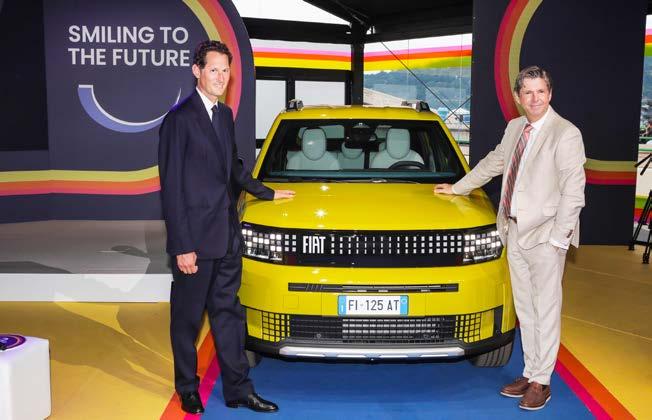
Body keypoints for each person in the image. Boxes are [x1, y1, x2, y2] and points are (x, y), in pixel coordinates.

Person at [435, 66, 585, 411]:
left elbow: (574, 192)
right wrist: (458, 188)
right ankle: (530, 372)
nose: (535, 99)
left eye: (541, 91)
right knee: (526, 309)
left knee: (546, 310)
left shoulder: (565, 133)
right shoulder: (516, 127)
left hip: (546, 236)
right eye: (528, 92)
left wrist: (558, 240)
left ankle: (542, 382)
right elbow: (495, 163)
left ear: (550, 94)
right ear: (518, 97)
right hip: (513, 230)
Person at [158, 40, 295, 414]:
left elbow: (232, 169)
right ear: (196, 71)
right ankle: (187, 387)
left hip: (227, 238)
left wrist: (267, 193)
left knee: (229, 318)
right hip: (194, 244)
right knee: (187, 322)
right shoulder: (178, 120)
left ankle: (238, 390)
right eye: (213, 69)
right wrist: (182, 246)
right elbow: (171, 188)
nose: (221, 77)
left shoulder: (223, 114)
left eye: (225, 70)